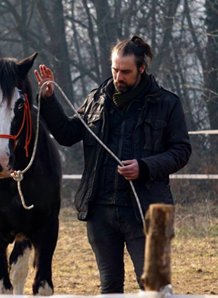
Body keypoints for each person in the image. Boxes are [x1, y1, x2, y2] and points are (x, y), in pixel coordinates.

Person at [34, 36, 191, 293]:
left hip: (152, 210)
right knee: (110, 288)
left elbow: (182, 150)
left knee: (156, 287)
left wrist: (145, 166)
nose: (119, 77)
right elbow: (66, 134)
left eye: (126, 72)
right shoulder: (96, 99)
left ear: (142, 68)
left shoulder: (167, 103)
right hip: (101, 211)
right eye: (114, 70)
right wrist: (49, 99)